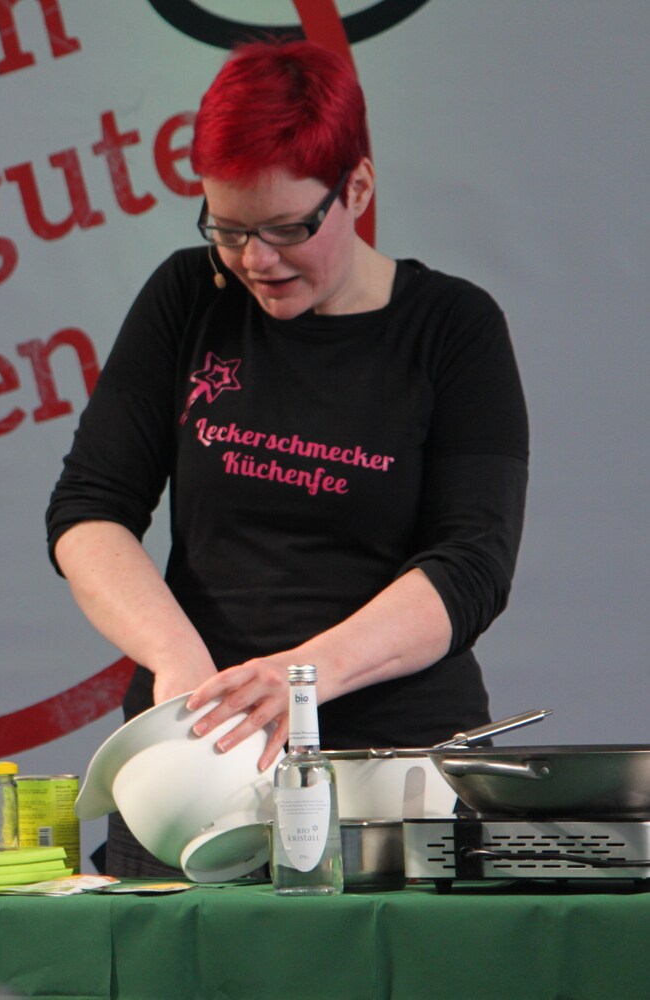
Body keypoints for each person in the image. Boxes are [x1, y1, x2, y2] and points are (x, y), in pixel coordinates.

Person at [46, 39, 528, 875]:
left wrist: (296, 683)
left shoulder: (453, 329)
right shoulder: (188, 299)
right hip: (192, 773)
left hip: (391, 781)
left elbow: (472, 565)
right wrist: (180, 665)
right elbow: (89, 510)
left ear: (358, 189)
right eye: (228, 230)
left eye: (286, 229)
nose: (256, 261)